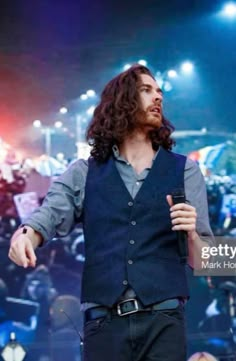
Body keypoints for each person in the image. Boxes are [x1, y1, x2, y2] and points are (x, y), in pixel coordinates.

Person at [8, 64, 213, 361]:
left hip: (165, 321)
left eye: (159, 92)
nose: (158, 98)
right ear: (122, 102)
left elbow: (209, 262)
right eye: (146, 90)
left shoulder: (186, 170)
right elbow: (48, 213)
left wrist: (192, 234)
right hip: (103, 325)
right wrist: (25, 235)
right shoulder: (82, 172)